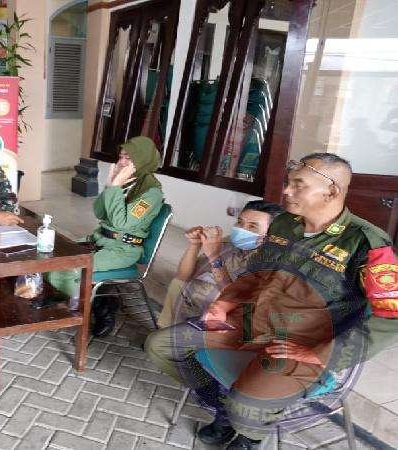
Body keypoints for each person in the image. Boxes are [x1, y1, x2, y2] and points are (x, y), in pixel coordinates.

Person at [145, 153, 398, 449]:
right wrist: (226, 303)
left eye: (298, 185)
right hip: (251, 323)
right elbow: (255, 274)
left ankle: (250, 436)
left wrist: (323, 353)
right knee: (161, 346)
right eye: (289, 183)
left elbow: (391, 316)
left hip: (302, 343)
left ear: (331, 190)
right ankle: (223, 408)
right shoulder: (285, 225)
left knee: (245, 406)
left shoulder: (366, 243)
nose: (286, 191)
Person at [49, 136, 164, 337]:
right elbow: (100, 212)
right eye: (121, 156)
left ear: (143, 160)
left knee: (64, 269)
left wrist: (115, 186)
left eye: (129, 158)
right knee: (51, 255)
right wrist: (111, 184)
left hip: (122, 249)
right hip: (100, 239)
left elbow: (121, 223)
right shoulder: (126, 183)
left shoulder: (151, 192)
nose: (122, 162)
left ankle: (100, 305)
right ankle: (97, 298)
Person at [157, 201, 284, 328]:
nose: (242, 229)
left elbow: (236, 299)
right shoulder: (229, 242)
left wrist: (214, 256)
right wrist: (195, 245)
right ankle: (166, 329)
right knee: (178, 285)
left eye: (252, 226)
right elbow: (182, 276)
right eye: (240, 222)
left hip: (232, 319)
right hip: (193, 304)